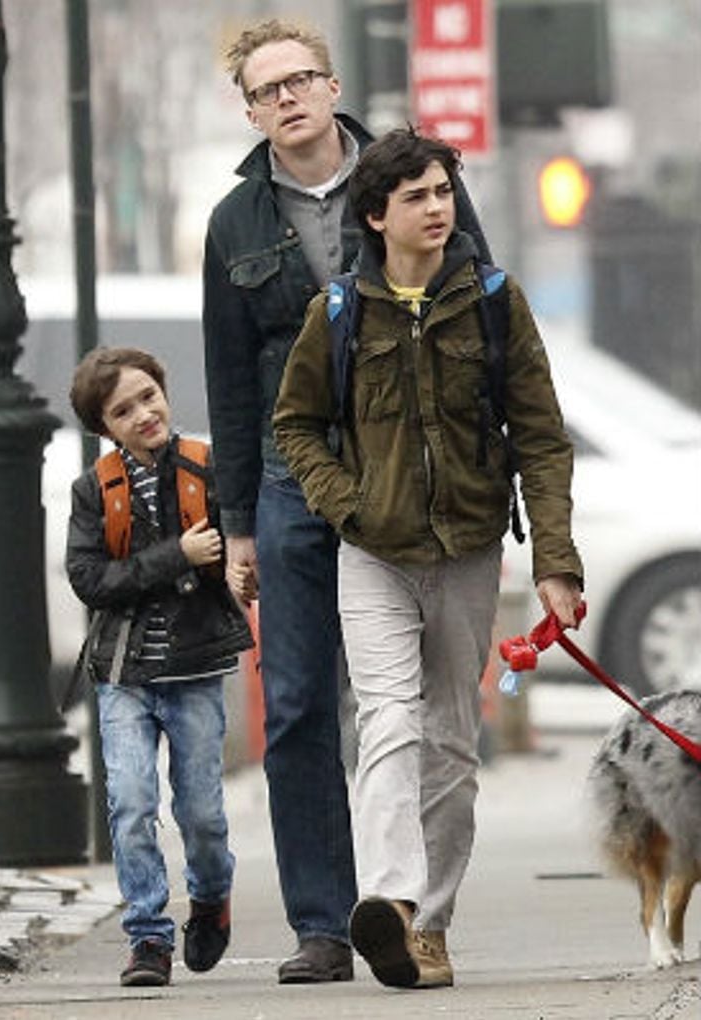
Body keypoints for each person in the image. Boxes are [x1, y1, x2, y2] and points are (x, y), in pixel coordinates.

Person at [202, 19, 492, 984]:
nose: (286, 99)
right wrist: (236, 520)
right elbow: (234, 385)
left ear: (331, 88)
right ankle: (325, 924)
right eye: (265, 90)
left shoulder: (413, 177)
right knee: (295, 704)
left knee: (404, 707)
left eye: (300, 81)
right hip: (294, 474)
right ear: (249, 111)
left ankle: (407, 908)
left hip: (408, 470)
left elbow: (480, 306)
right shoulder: (236, 222)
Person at [273, 128, 584, 990]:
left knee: (449, 742)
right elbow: (294, 424)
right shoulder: (338, 312)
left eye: (443, 192)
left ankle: (429, 924)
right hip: (373, 552)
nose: (437, 208)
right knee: (388, 724)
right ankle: (391, 900)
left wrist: (557, 560)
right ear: (376, 216)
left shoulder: (492, 300)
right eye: (416, 196)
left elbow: (542, 438)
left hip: (469, 547)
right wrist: (348, 503)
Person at [66, 347, 252, 988]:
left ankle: (209, 895)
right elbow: (89, 578)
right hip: (124, 671)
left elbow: (233, 548)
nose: (144, 414)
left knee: (201, 810)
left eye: (149, 396)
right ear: (104, 427)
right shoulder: (95, 490)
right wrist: (177, 554)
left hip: (195, 664)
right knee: (131, 803)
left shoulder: (205, 468)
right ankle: (147, 936)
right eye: (123, 410)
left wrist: (232, 568)